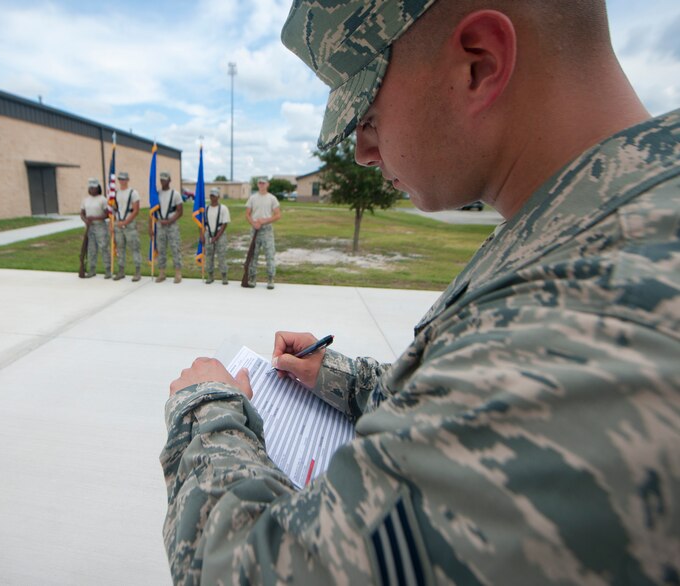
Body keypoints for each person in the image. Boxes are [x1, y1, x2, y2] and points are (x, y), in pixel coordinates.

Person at [161, 0, 679, 584]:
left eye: (369, 113)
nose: (361, 150)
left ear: (477, 65)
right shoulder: (604, 228)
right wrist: (335, 376)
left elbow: (260, 571)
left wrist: (207, 413)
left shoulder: (575, 326)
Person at [244, 177, 281, 289]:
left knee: (269, 255)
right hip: (255, 230)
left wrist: (265, 220)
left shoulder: (272, 198)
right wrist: (253, 223)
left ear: (267, 184)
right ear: (258, 184)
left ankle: (270, 279)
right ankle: (252, 278)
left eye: (263, 183)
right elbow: (247, 214)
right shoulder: (252, 198)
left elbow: (278, 215)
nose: (261, 185)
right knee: (253, 255)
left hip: (267, 230)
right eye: (260, 183)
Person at [152, 171, 184, 283]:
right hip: (160, 225)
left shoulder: (175, 194)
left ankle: (178, 273)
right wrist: (151, 226)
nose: (163, 182)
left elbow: (180, 211)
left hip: (172, 225)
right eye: (161, 180)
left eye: (165, 179)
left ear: (169, 180)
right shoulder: (156, 194)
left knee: (175, 248)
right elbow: (152, 211)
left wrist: (170, 221)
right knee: (161, 249)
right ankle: (162, 273)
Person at [78, 177, 112, 279]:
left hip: (100, 226)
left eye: (94, 187)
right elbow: (82, 213)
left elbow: (107, 215)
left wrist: (94, 218)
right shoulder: (85, 200)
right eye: (90, 187)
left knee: (103, 248)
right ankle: (92, 270)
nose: (92, 189)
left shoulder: (103, 199)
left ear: (98, 188)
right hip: (89, 227)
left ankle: (108, 270)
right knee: (91, 249)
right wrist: (85, 220)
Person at [112, 171, 141, 282]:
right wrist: (113, 223)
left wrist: (125, 222)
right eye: (120, 179)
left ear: (128, 180)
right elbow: (114, 209)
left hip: (129, 224)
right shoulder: (116, 193)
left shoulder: (133, 193)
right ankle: (121, 271)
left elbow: (136, 210)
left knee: (134, 247)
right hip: (118, 223)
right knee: (120, 248)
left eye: (124, 179)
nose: (122, 181)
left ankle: (137, 271)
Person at [203, 187, 231, 285]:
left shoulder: (223, 208)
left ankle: (224, 275)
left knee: (221, 256)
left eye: (214, 195)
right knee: (209, 256)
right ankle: (210, 275)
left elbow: (225, 224)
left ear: (218, 196)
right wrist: (203, 235)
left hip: (220, 234)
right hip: (208, 234)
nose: (212, 197)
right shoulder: (206, 208)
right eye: (211, 195)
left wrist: (217, 236)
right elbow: (202, 223)